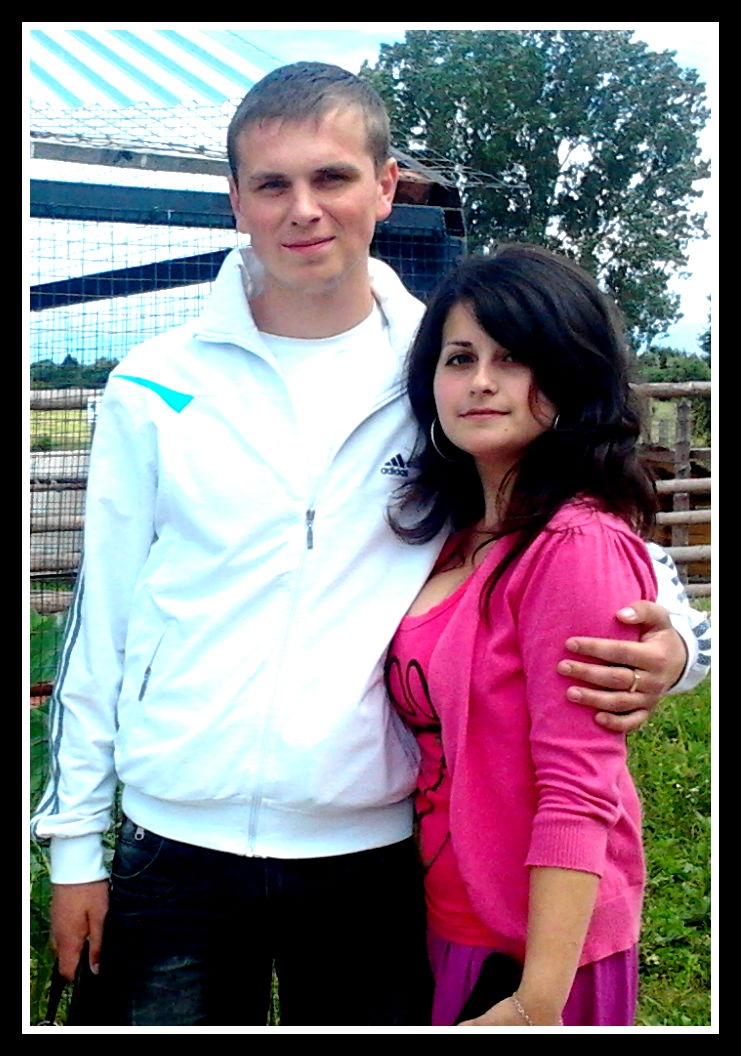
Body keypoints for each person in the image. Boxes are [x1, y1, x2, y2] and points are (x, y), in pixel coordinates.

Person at [31, 63, 709, 1027]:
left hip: (376, 852)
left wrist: (680, 651)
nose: (303, 209)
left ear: (386, 186)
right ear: (235, 201)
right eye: (272, 183)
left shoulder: (443, 371)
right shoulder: (153, 384)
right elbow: (101, 618)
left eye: (333, 177)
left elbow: (594, 542)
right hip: (172, 840)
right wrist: (73, 847)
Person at [384, 243, 689, 1027]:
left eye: (513, 358)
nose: (481, 381)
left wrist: (535, 1002)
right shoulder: (453, 537)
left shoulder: (572, 546)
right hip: (448, 916)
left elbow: (579, 786)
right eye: (459, 357)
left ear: (569, 372)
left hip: (536, 953)